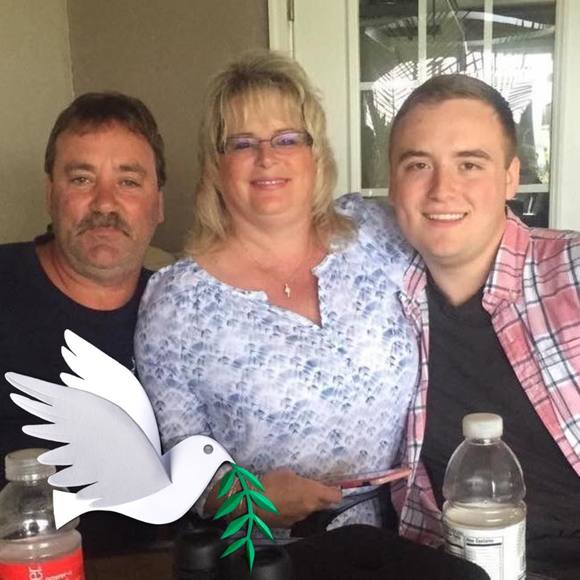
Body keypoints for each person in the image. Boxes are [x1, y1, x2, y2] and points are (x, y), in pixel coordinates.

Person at [135, 51, 418, 537]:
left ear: (316, 154)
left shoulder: (375, 236)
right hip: (269, 552)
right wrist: (248, 497)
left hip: (408, 532)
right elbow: (180, 459)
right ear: (215, 166)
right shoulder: (177, 303)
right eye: (242, 143)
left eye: (287, 139)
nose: (267, 158)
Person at [387, 74, 580, 578]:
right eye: (418, 165)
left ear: (511, 178)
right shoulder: (376, 291)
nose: (441, 190)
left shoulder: (572, 272)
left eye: (469, 164)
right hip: (450, 565)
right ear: (392, 183)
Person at [0, 91, 165, 555]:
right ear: (50, 194)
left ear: (158, 205)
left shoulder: (182, 311)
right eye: (81, 179)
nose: (104, 204)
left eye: (128, 181)